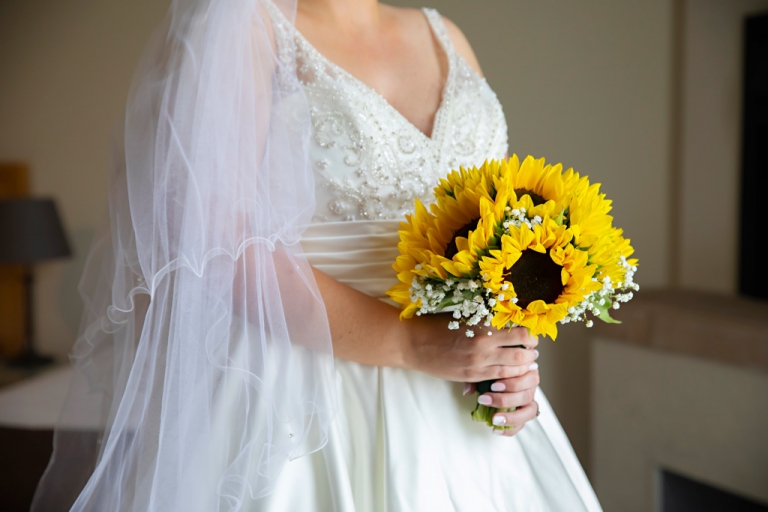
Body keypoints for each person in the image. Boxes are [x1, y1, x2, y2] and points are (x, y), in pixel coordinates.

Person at [32, 0, 603, 510]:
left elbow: (495, 230)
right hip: (305, 385)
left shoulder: (444, 32)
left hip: (461, 392)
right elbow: (217, 240)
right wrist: (409, 341)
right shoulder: (242, 24)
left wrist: (507, 366)